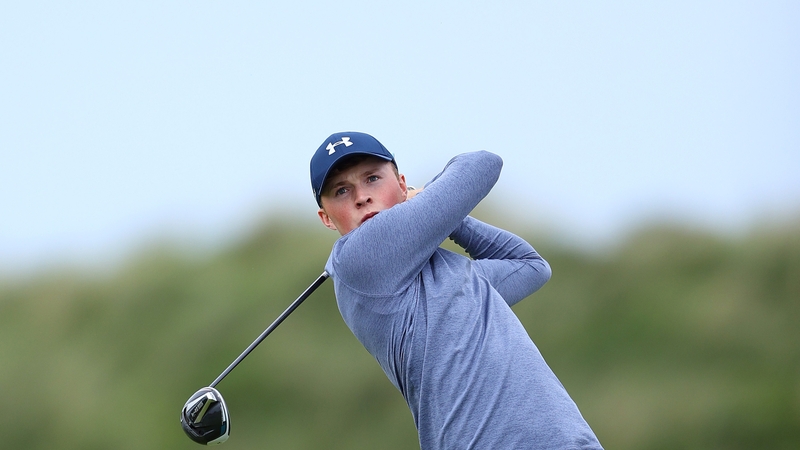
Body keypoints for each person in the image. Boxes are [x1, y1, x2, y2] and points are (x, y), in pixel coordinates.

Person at [310, 131, 602, 449]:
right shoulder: (358, 258)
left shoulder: (451, 274)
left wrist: (446, 218)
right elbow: (481, 165)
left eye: (373, 178)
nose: (361, 197)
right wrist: (427, 205)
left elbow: (529, 266)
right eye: (341, 190)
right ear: (326, 218)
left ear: (401, 183)